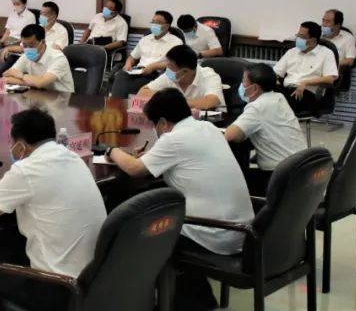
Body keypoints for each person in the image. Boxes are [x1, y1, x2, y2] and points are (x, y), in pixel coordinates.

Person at [108, 88, 254, 310]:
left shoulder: (174, 139)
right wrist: (150, 156)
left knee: (143, 234)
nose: (155, 130)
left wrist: (112, 151)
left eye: (154, 124)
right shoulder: (207, 128)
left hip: (215, 234)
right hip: (244, 232)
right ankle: (199, 300)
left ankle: (162, 303)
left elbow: (135, 169)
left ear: (163, 122)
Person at [0, 108, 106, 311]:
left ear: (21, 146)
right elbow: (44, 188)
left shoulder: (26, 170)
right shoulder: (72, 157)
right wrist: (5, 186)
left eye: (11, 142)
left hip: (56, 288)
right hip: (91, 280)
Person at [224, 63, 306, 196]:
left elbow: (230, 135)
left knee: (230, 184)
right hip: (301, 172)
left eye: (243, 81)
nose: (241, 85)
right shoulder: (278, 97)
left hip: (279, 179)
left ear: (255, 88)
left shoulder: (258, 107)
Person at [110, 11, 181, 98]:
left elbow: (175, 63)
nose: (154, 25)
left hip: (156, 74)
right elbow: (132, 57)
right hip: (136, 71)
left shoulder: (176, 42)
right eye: (153, 22)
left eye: (158, 23)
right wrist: (128, 64)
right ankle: (118, 103)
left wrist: (154, 66)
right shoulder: (145, 39)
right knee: (121, 75)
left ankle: (116, 104)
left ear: (167, 25)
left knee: (126, 86)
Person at [272, 21, 338, 116]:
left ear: (313, 40)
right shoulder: (292, 52)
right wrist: (275, 80)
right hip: (287, 90)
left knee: (279, 104)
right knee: (265, 95)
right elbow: (276, 72)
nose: (298, 39)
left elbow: (330, 79)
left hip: (307, 94)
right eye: (298, 35)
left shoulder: (326, 53)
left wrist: (305, 83)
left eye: (302, 37)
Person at [137, 45, 224, 110]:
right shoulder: (169, 75)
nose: (167, 69)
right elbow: (143, 92)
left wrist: (173, 101)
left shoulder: (209, 76)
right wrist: (172, 101)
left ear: (185, 71)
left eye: (170, 66)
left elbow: (210, 102)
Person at [0, 1, 67, 76]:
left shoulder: (61, 31)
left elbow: (56, 51)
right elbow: (24, 47)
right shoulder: (37, 28)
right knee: (5, 56)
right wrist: (9, 48)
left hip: (45, 63)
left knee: (12, 64)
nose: (41, 16)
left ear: (53, 17)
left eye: (44, 14)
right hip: (27, 59)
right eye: (41, 13)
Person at [4, 24, 74, 93]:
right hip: (40, 94)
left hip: (63, 97)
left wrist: (21, 76)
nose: (28, 49)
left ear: (43, 42)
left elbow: (41, 83)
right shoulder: (26, 55)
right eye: (25, 46)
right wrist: (34, 82)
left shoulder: (58, 58)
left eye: (31, 46)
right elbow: (7, 77)